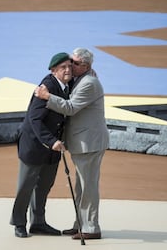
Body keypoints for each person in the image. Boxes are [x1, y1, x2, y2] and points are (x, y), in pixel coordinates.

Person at [34, 48, 108, 240]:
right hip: (83, 142)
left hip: (89, 143)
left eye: (74, 63)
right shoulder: (84, 78)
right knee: (81, 187)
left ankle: (91, 227)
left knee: (88, 186)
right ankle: (80, 224)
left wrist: (47, 97)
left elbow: (71, 108)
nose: (70, 65)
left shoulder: (89, 83)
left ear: (85, 66)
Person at [10, 52, 72, 238]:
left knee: (44, 186)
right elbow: (34, 119)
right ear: (53, 70)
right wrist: (51, 141)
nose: (68, 70)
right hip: (35, 146)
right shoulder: (46, 87)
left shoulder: (67, 85)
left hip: (52, 150)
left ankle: (38, 223)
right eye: (63, 67)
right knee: (26, 186)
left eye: (70, 66)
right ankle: (19, 223)